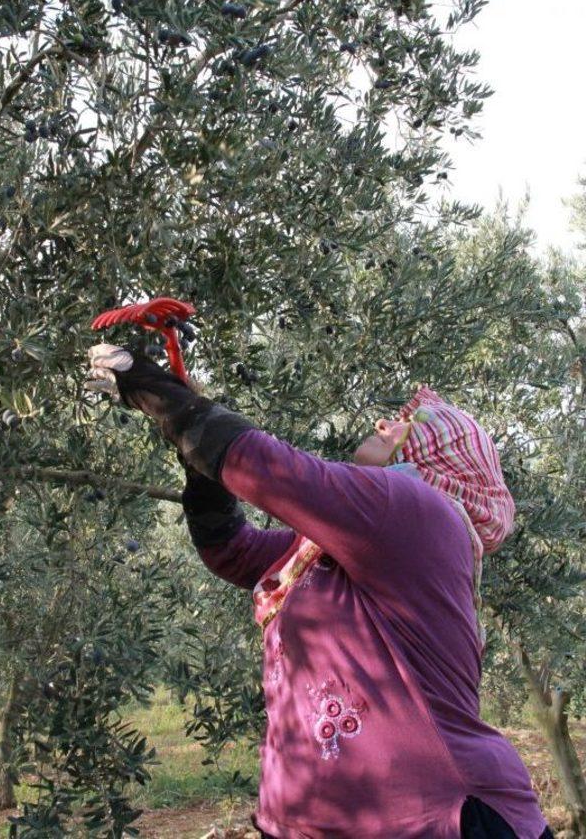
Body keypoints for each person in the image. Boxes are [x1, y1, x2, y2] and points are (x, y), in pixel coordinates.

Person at [85, 344, 554, 839]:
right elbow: (232, 551)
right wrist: (197, 460)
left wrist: (162, 396)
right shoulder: (340, 547)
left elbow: (266, 469)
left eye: (405, 425)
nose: (383, 426)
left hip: (437, 821)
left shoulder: (417, 508)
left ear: (435, 454)